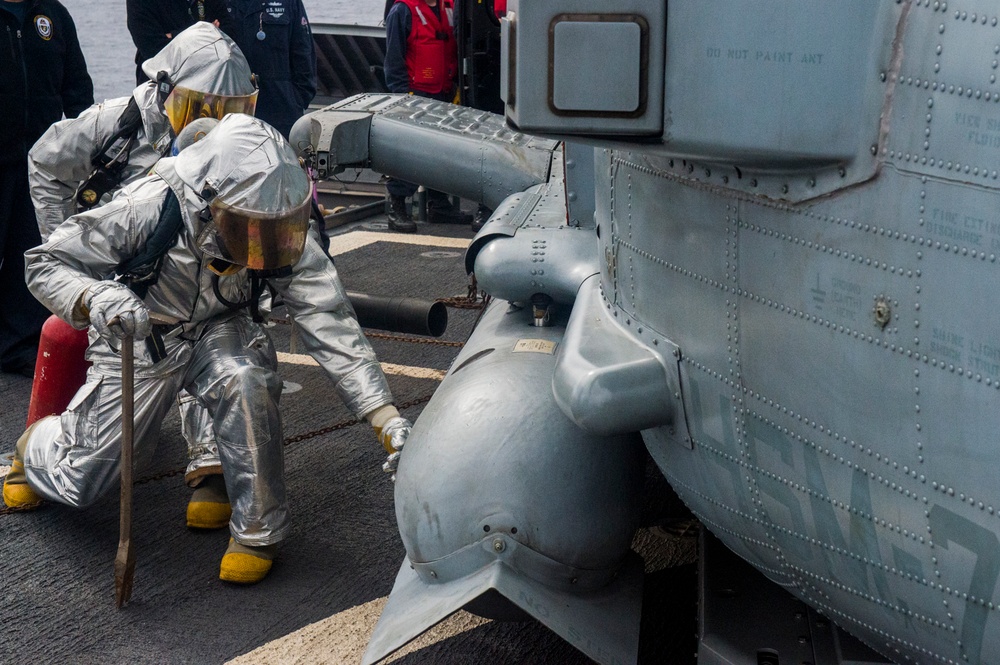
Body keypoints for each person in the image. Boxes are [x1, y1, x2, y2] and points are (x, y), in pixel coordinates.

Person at [3, 113, 412, 585]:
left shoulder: (274, 222)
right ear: (210, 202)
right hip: (143, 333)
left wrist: (386, 419)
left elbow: (330, 319)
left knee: (246, 380)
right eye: (248, 228)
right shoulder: (149, 205)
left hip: (222, 324)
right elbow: (45, 262)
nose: (262, 247)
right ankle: (35, 449)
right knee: (87, 478)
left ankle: (258, 531)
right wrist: (98, 296)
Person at [27, 21, 259, 532]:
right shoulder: (115, 125)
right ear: (166, 92)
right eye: (204, 109)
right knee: (88, 474)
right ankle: (44, 444)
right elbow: (44, 161)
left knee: (225, 344)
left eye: (233, 111)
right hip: (125, 282)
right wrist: (68, 260)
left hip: (194, 282)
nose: (217, 125)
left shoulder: (237, 146)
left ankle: (209, 461)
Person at [0, 0, 93, 377]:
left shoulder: (52, 15)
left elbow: (77, 90)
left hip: (40, 163)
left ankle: (18, 344)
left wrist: (87, 147)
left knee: (30, 251)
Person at [382, 0, 472, 232]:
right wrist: (402, 97)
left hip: (445, 91)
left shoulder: (450, 7)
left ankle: (439, 205)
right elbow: (393, 60)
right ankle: (397, 207)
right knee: (409, 153)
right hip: (416, 94)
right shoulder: (402, 10)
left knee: (442, 151)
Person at [217, 0, 316, 139]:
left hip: (281, 108)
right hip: (231, 105)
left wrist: (297, 100)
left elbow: (303, 51)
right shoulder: (218, 4)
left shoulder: (289, 3)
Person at [126, 0, 226, 85]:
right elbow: (151, 47)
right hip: (159, 88)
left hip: (210, 83)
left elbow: (228, 33)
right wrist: (205, 32)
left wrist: (173, 36)